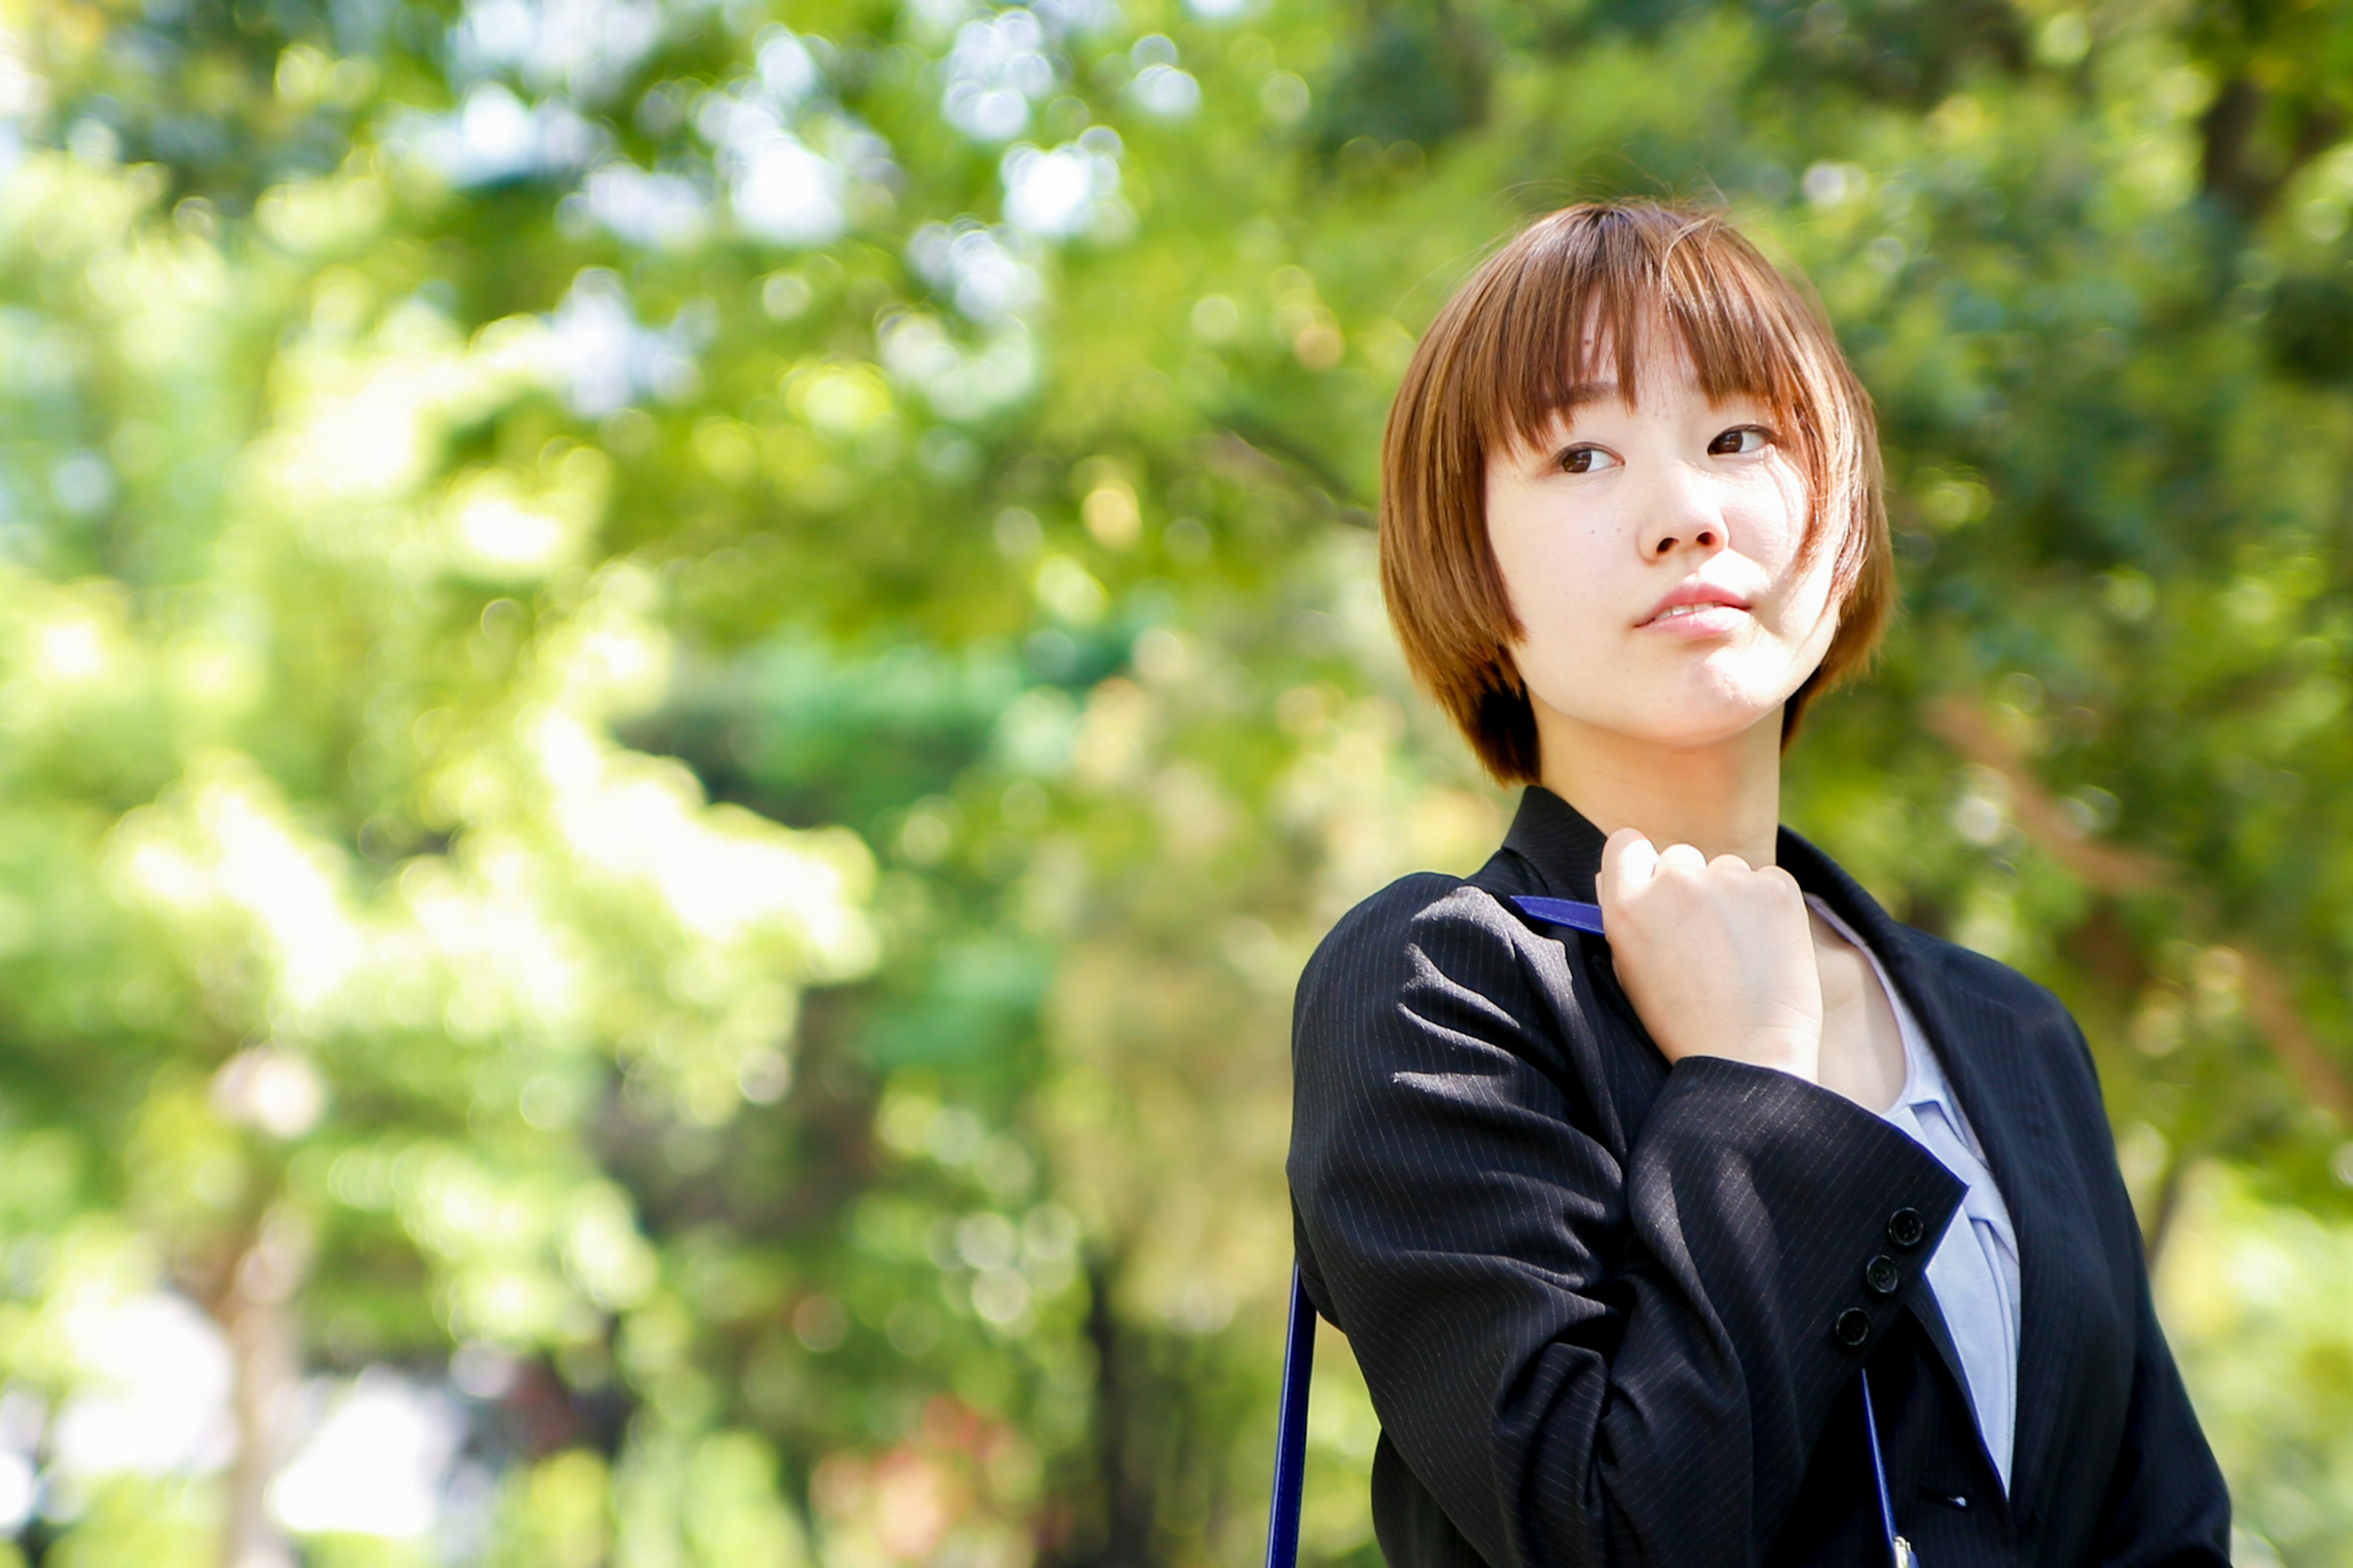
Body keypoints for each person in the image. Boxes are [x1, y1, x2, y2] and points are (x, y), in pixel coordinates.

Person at [1286, 200, 2230, 1567]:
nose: (1685, 515)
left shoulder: (2013, 1033)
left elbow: (2165, 1533)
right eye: (1582, 453)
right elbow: (1609, 1536)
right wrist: (1752, 1089)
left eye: (1740, 438)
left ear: (1837, 533)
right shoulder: (1443, 986)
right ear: (1472, 567)